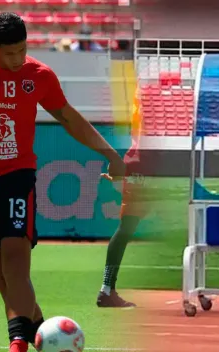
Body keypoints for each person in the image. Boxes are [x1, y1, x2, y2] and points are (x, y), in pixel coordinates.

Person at [0, 12, 125, 352]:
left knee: (15, 259)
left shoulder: (39, 75)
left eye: (22, 51)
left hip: (17, 175)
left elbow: (68, 116)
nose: (17, 60)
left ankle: (17, 342)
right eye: (9, 53)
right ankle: (40, 332)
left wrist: (111, 154)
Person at [97, 87, 151, 308]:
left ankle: (107, 289)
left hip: (139, 160)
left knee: (126, 228)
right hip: (150, 161)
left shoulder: (141, 104)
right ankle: (107, 289)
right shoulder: (148, 105)